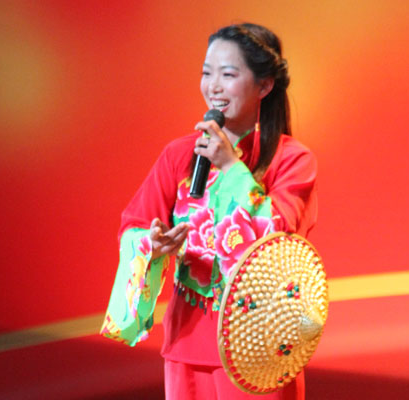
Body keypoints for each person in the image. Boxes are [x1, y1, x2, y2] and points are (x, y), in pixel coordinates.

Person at [101, 23, 317, 400]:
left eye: (228, 75)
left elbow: (277, 236)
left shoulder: (292, 159)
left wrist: (232, 167)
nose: (213, 86)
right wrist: (153, 243)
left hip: (259, 347)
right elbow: (134, 225)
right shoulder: (178, 155)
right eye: (207, 73)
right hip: (186, 341)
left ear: (264, 85)